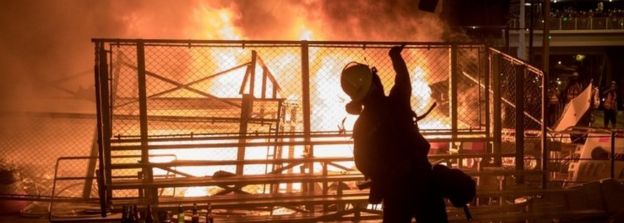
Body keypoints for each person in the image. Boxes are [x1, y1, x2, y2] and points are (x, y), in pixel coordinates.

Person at [341, 45, 447, 223]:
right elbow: (403, 80)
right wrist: (395, 57)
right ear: (375, 83)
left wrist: (385, 175)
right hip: (423, 181)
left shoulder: (362, 124)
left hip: (394, 190)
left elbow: (362, 162)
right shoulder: (398, 102)